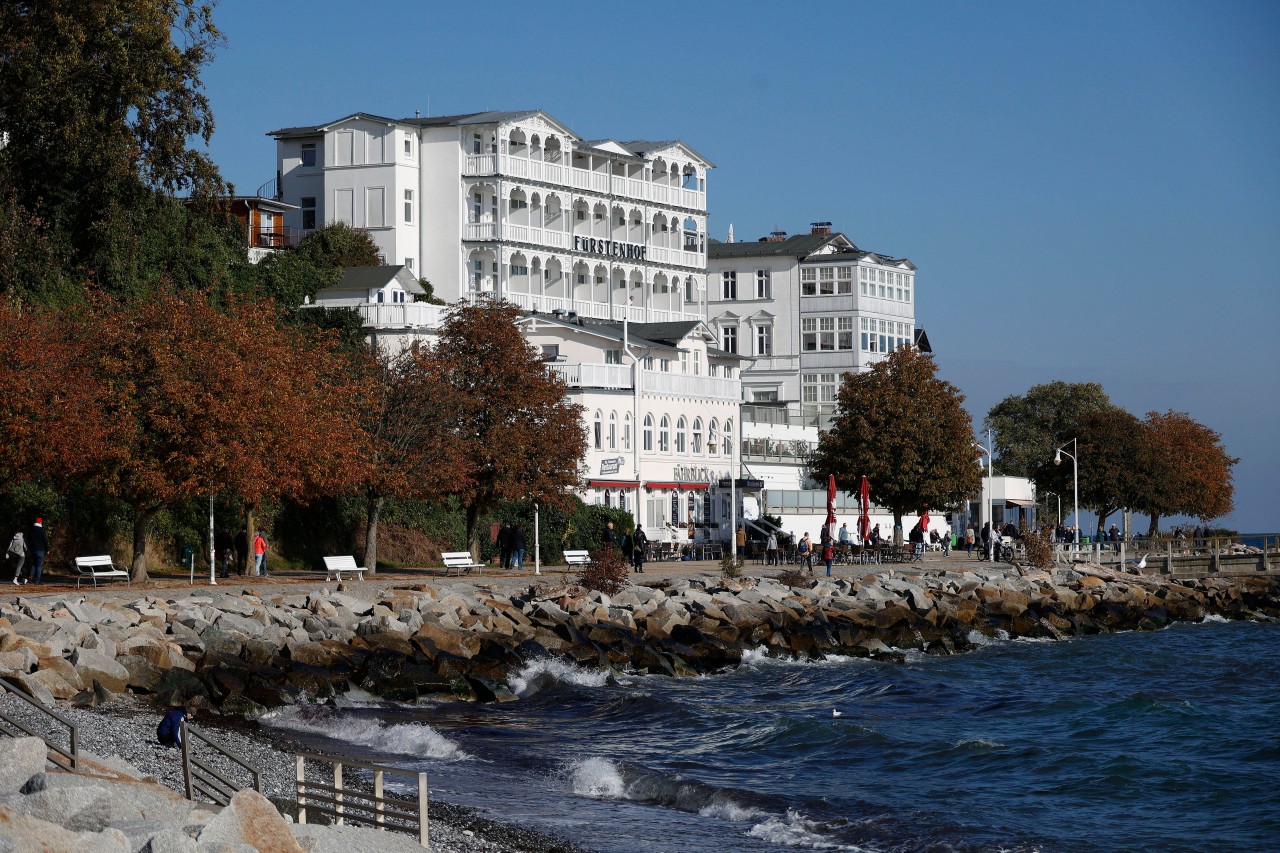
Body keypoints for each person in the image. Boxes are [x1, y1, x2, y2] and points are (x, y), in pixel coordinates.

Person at [27, 517, 48, 585]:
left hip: (33, 550)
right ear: (40, 522)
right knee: (39, 565)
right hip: (40, 550)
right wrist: (47, 549)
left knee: (34, 564)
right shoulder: (41, 530)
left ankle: (30, 577)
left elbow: (29, 540)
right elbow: (44, 540)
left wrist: (30, 549)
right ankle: (37, 580)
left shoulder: (31, 530)